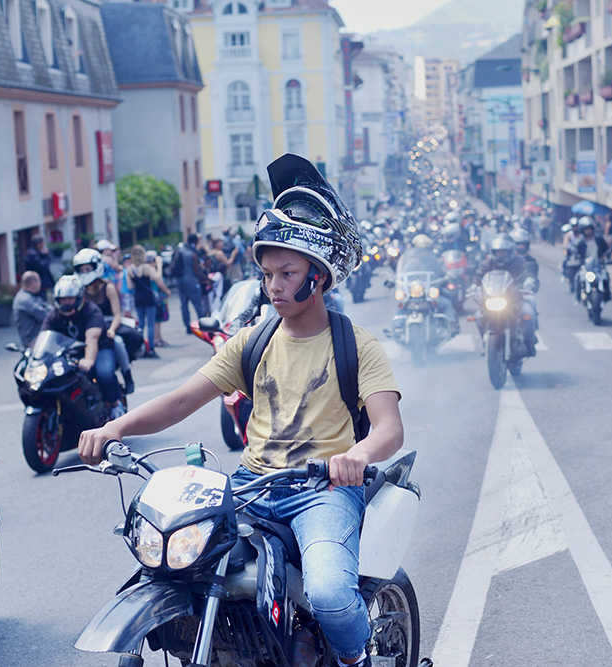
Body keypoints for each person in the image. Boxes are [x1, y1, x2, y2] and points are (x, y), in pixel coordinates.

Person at [78, 154, 403, 667]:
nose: (272, 285)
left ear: (317, 276)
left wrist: (356, 456)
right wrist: (113, 427)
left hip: (323, 492)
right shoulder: (251, 342)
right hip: (251, 485)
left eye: (287, 272)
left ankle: (355, 659)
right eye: (267, 273)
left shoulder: (357, 345)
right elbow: (182, 400)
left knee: (327, 593)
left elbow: (389, 428)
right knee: (180, 565)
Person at [42, 275, 125, 418]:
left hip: (100, 348)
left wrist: (88, 361)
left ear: (79, 296)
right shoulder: (53, 315)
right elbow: (44, 338)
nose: (66, 302)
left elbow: (92, 339)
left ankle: (115, 405)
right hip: (70, 353)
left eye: (70, 298)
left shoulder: (91, 310)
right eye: (63, 299)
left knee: (103, 373)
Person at [73, 248, 134, 394]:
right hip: (89, 329)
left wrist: (112, 329)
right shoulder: (79, 291)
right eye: (81, 270)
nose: (85, 272)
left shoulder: (108, 288)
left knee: (118, 342)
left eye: (88, 268)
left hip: (108, 325)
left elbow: (117, 314)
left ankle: (127, 374)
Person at [475, 233, 538, 355]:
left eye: (503, 252)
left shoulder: (518, 261)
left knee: (529, 314)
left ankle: (530, 344)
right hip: (493, 298)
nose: (500, 254)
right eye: (498, 252)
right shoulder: (488, 263)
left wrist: (528, 281)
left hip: (514, 299)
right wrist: (474, 286)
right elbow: (479, 275)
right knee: (478, 317)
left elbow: (526, 273)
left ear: (509, 251)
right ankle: (486, 342)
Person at [126, 245, 171, 358]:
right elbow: (157, 278)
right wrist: (159, 266)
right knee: (150, 324)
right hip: (149, 298)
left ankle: (140, 347)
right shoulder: (147, 268)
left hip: (138, 298)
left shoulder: (130, 269)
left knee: (141, 324)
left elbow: (130, 286)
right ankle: (150, 349)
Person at [172, 233, 208, 334]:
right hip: (190, 280)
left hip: (180, 280)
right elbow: (196, 271)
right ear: (195, 241)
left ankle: (187, 326)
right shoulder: (192, 254)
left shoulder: (180, 250)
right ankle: (203, 324)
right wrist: (206, 278)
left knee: (184, 304)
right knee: (197, 303)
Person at [12, 271, 51, 348]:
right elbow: (45, 315)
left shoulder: (31, 296)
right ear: (33, 283)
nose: (40, 283)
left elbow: (47, 307)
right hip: (33, 342)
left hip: (40, 339)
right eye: (39, 281)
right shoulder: (25, 299)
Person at [24, 234, 55, 299]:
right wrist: (46, 255)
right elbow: (42, 266)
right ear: (38, 244)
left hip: (40, 283)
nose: (43, 245)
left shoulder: (34, 252)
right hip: (39, 284)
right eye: (41, 243)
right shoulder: (32, 254)